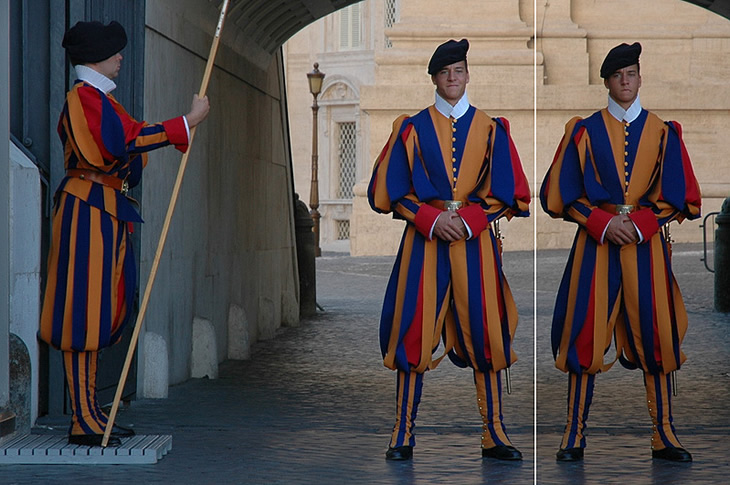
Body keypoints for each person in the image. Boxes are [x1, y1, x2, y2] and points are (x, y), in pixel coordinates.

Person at [39, 20, 210, 447]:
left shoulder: (100, 100)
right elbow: (121, 143)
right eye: (114, 51)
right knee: (83, 313)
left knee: (99, 309)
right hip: (86, 209)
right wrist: (184, 123)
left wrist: (176, 132)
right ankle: (81, 417)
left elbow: (127, 148)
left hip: (103, 208)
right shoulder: (84, 99)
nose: (120, 57)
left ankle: (91, 409)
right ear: (96, 55)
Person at [368, 39, 531, 461]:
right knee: (412, 332)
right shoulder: (412, 128)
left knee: (487, 331)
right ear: (435, 79)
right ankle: (401, 431)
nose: (453, 78)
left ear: (467, 74)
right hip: (424, 246)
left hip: (475, 246)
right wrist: (431, 219)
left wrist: (471, 220)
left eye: (459, 70)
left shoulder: (492, 128)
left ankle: (494, 432)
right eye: (445, 72)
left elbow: (507, 192)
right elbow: (391, 191)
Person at [540, 42, 701, 462]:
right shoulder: (584, 131)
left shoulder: (664, 132)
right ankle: (573, 434)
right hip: (595, 250)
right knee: (584, 337)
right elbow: (562, 195)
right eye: (617, 75)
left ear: (640, 77)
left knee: (658, 335)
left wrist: (642, 224)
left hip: (647, 250)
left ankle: (664, 433)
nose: (625, 81)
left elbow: (678, 195)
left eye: (631, 73)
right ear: (607, 82)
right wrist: (602, 223)